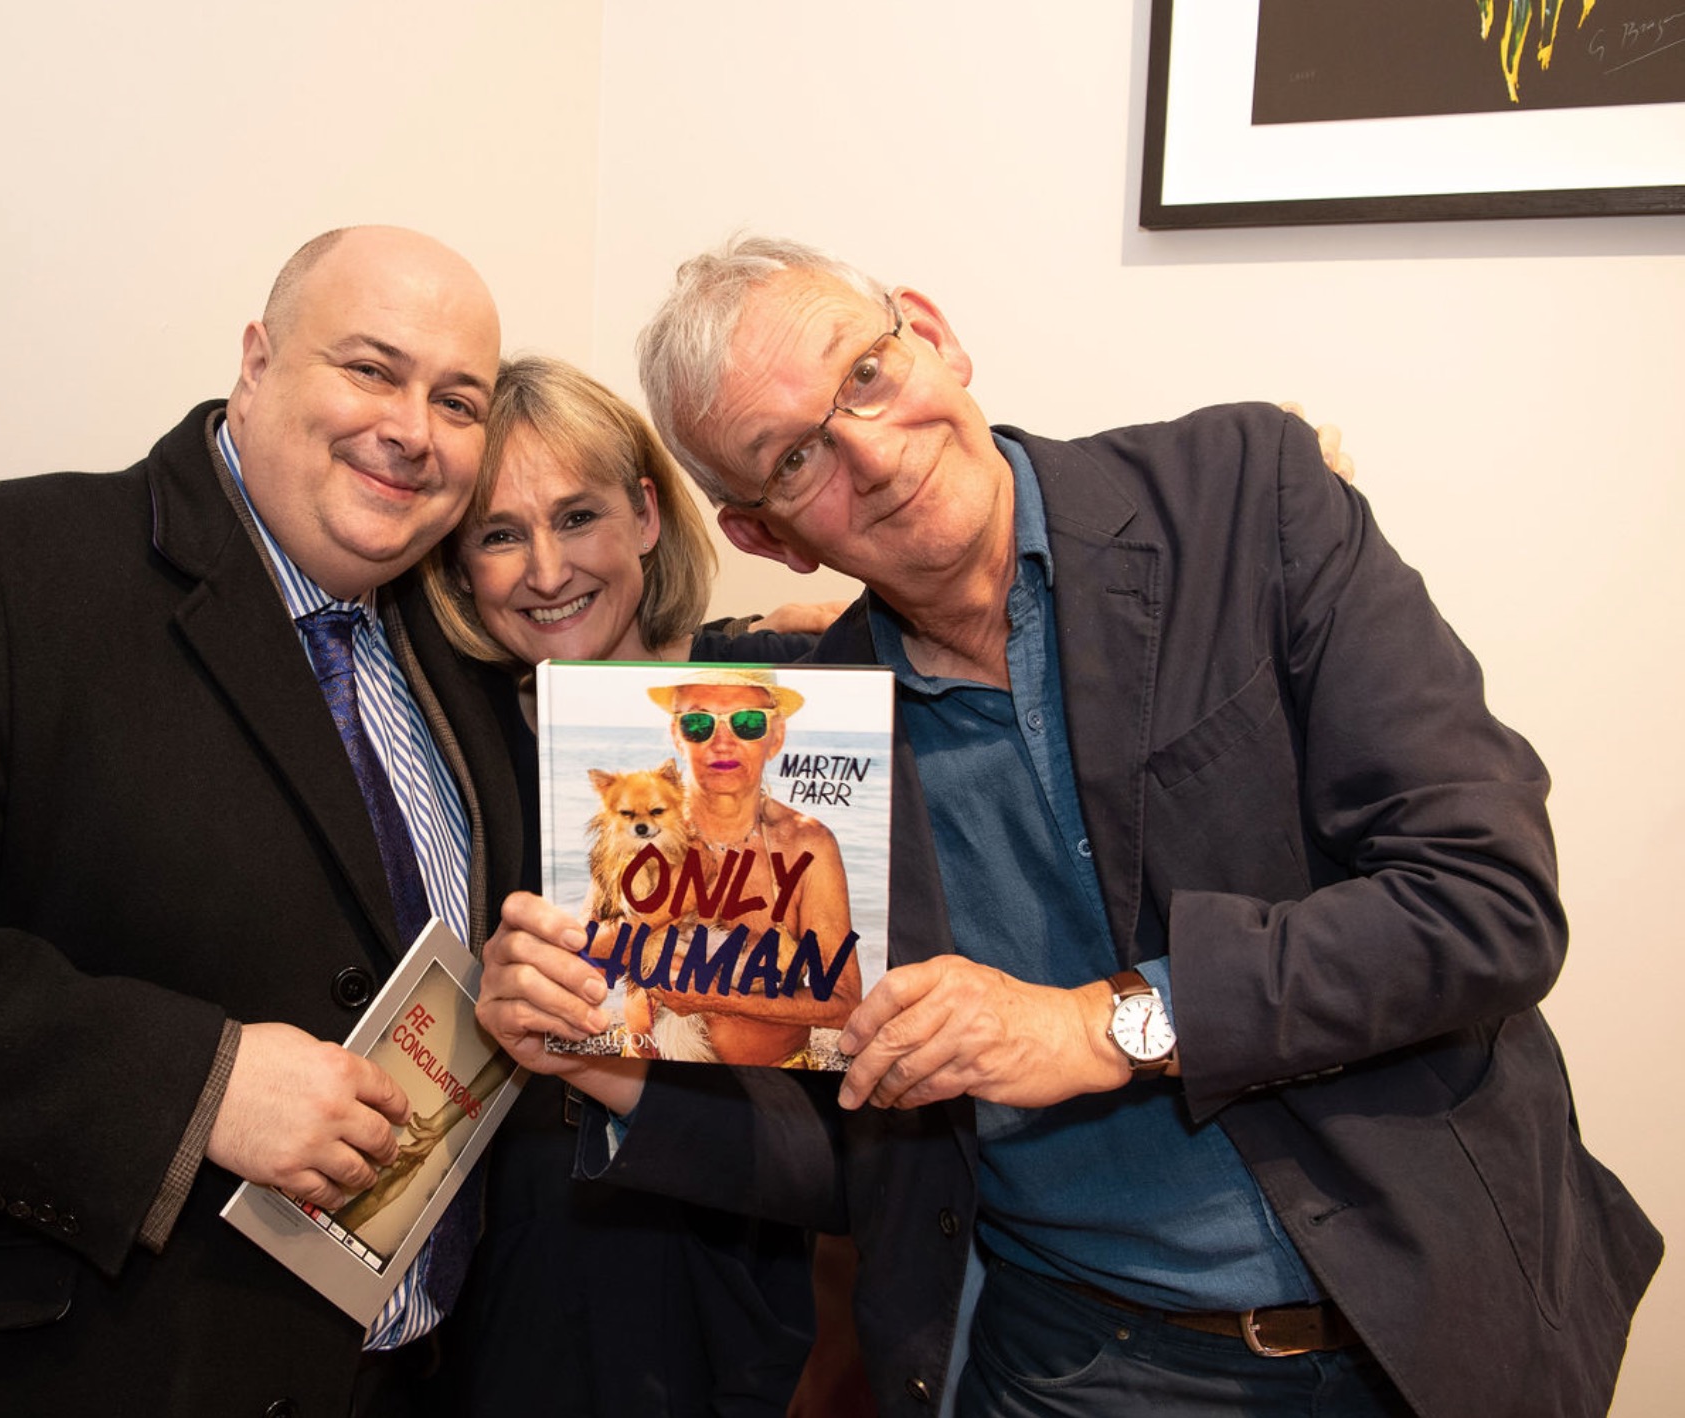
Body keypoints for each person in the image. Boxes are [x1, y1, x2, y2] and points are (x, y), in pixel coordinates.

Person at [475, 236, 1661, 1418]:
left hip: (1423, 1320)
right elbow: (859, 1147)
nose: (872, 455)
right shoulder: (806, 732)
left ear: (931, 335)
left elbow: (1484, 899)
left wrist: (1102, 1021)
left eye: (866, 376)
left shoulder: (1246, 494)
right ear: (766, 533)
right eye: (795, 458)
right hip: (1076, 1361)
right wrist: (608, 1054)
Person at [0, 226, 525, 1417]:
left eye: (459, 398)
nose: (413, 427)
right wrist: (200, 1083)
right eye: (370, 369)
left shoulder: (456, 653)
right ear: (256, 359)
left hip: (399, 1379)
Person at [418, 354, 837, 1416]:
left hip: (721, 1295)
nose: (545, 569)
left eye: (579, 515)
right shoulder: (441, 749)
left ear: (647, 514)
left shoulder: (779, 711)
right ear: (458, 563)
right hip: (495, 1310)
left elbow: (829, 1126)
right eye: (498, 534)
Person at [628, 667, 859, 1067]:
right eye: (698, 723)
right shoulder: (641, 827)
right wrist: (667, 908)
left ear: (776, 737)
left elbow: (843, 1002)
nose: (722, 742)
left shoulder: (807, 844)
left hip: (773, 1095)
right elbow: (586, 951)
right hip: (637, 1081)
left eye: (748, 723)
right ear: (676, 734)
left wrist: (719, 999)